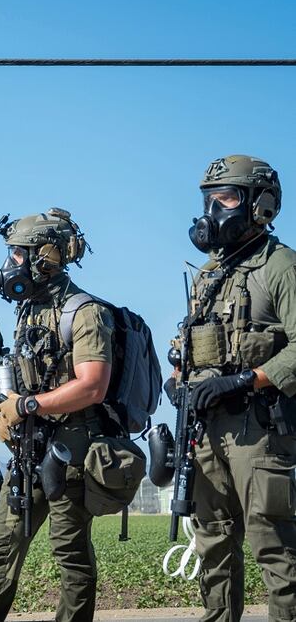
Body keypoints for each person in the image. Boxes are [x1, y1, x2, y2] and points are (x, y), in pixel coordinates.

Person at [0, 209, 114, 622]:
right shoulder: (28, 309)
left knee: (70, 552)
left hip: (71, 451)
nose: (9, 264)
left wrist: (29, 406)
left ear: (46, 255)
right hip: (30, 448)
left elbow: (92, 385)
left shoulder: (83, 312)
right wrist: (5, 409)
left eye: (17, 254)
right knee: (2, 546)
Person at [177, 156, 296, 622]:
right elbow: (190, 344)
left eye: (224, 199)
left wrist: (248, 377)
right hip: (206, 431)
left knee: (273, 543)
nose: (212, 211)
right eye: (208, 200)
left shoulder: (281, 266)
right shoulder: (209, 273)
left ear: (260, 205)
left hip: (260, 429)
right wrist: (178, 382)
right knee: (213, 542)